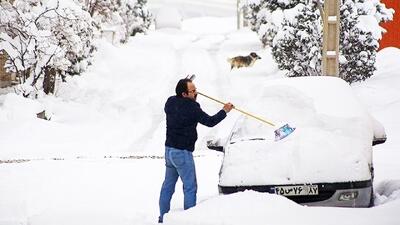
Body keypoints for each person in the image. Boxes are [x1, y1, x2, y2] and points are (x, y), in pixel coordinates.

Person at [158, 78, 234, 223]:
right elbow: (210, 121)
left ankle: (162, 218)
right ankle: (189, 220)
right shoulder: (192, 108)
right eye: (193, 91)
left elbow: (178, 102)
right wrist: (225, 110)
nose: (196, 93)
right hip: (182, 153)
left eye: (195, 90)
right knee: (190, 187)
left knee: (168, 186)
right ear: (184, 94)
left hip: (169, 151)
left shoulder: (170, 102)